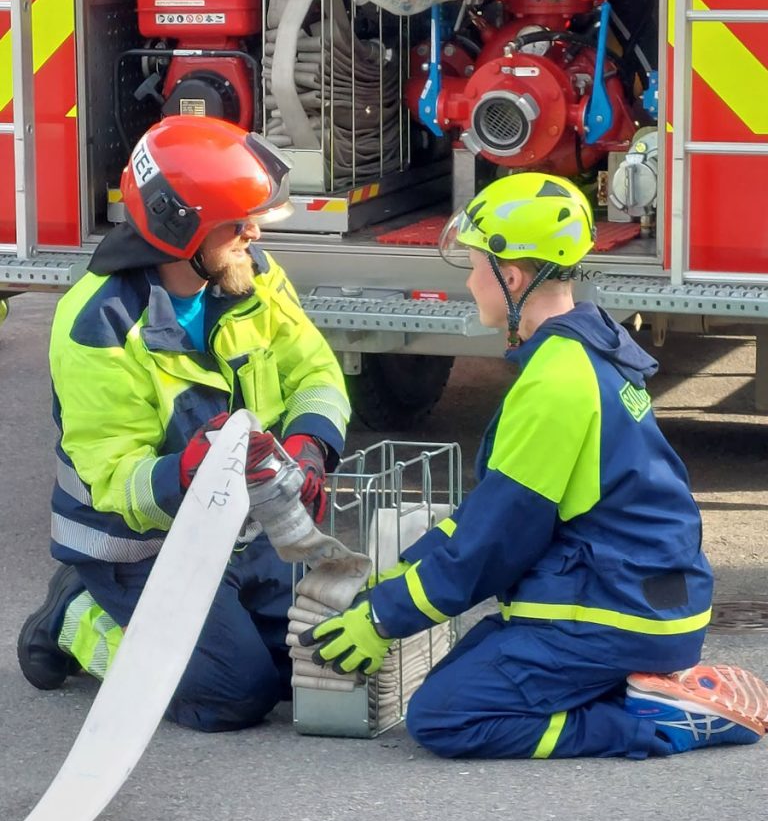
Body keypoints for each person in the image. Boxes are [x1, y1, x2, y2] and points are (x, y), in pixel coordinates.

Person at [301, 171, 768, 759]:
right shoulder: (582, 352)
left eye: (476, 267)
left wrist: (383, 620)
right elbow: (487, 516)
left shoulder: (556, 383)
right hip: (641, 597)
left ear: (512, 276)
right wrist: (395, 579)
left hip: (625, 613)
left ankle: (656, 720)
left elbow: (494, 541)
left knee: (446, 714)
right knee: (473, 658)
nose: (471, 282)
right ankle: (641, 690)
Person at [18, 115, 350, 732]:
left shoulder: (249, 275)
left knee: (300, 669)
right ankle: (77, 616)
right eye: (235, 223)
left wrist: (309, 448)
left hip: (239, 532)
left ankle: (186, 626)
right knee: (232, 695)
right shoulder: (100, 322)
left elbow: (317, 374)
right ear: (180, 229)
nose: (253, 232)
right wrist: (187, 470)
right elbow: (112, 478)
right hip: (138, 547)